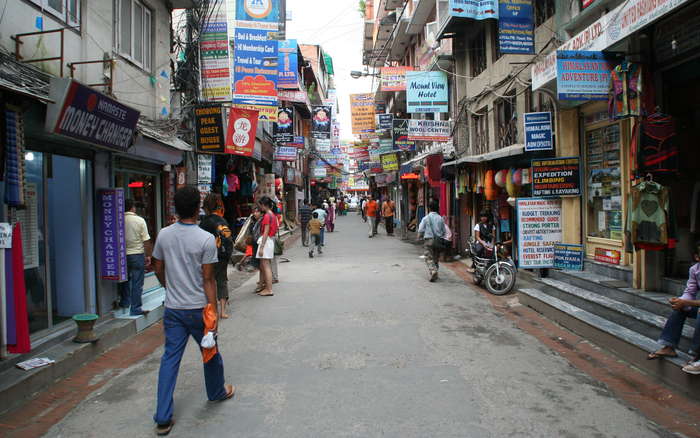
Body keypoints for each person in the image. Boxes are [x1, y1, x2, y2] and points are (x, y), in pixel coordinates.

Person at [151, 186, 235, 435]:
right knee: (210, 352)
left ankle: (163, 417)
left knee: (169, 360)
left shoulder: (164, 235)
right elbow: (209, 279)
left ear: (175, 208)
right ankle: (217, 392)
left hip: (174, 309)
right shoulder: (205, 239)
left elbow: (157, 268)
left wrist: (170, 288)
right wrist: (213, 313)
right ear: (198, 209)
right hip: (199, 308)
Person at [648, 244, 700, 374]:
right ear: (697, 257)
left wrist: (687, 302)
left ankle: (697, 355)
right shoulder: (695, 270)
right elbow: (690, 291)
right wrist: (681, 301)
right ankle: (669, 346)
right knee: (679, 308)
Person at [199, 193, 233, 319]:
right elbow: (229, 237)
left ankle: (211, 308)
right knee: (222, 280)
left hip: (209, 256)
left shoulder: (204, 223)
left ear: (206, 207)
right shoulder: (222, 220)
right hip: (223, 255)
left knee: (208, 280)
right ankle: (223, 311)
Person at [120, 198, 152, 316]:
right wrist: (148, 255)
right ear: (133, 208)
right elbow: (146, 240)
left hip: (122, 255)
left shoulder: (118, 220)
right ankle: (135, 308)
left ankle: (124, 302)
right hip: (137, 254)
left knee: (124, 280)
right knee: (137, 282)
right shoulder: (139, 220)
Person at [418, 200, 446, 282]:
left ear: (429, 208)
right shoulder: (440, 218)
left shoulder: (426, 218)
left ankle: (433, 271)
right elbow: (444, 231)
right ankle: (436, 272)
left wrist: (419, 237)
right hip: (438, 240)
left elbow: (420, 229)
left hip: (429, 240)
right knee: (436, 257)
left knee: (428, 257)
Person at [256, 197, 277, 297]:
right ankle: (267, 288)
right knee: (265, 265)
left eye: (260, 205)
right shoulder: (272, 215)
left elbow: (265, 232)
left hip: (267, 241)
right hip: (269, 240)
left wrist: (261, 247)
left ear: (264, 205)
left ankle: (269, 289)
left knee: (266, 266)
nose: (260, 207)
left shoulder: (267, 216)